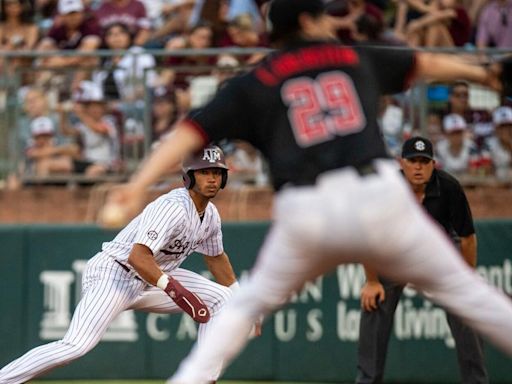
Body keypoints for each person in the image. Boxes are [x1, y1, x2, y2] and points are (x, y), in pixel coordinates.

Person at [100, 1, 512, 383]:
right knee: (469, 293)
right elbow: (424, 62)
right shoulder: (351, 57)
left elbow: (189, 132)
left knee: (243, 308)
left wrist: (137, 185)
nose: (332, 22)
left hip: (307, 212)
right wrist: (485, 74)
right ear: (306, 22)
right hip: (380, 196)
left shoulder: (256, 80)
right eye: (322, 15)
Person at [0, 144, 258, 384]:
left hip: (153, 278)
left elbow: (216, 259)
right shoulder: (172, 207)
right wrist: (176, 291)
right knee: (75, 346)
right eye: (204, 172)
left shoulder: (210, 215)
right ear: (189, 176)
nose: (212, 179)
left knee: (223, 299)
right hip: (116, 273)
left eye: (217, 173)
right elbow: (138, 257)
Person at [356, 136, 488, 384]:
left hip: (438, 254)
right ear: (401, 163)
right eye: (413, 161)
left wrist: (467, 281)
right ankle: (367, 381)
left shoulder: (449, 187)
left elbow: (468, 238)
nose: (418, 167)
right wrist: (371, 281)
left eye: (424, 161)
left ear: (433, 164)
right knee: (373, 299)